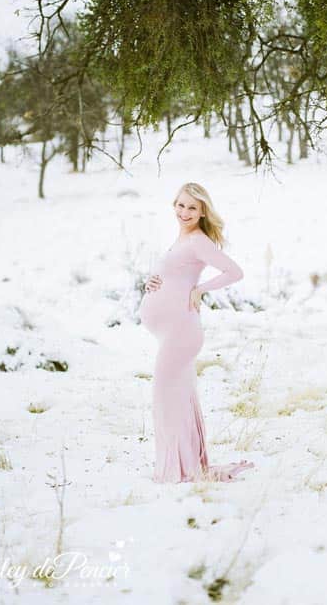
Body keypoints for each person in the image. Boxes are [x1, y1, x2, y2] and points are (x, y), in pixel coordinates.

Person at [138, 182, 255, 483]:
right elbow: (175, 274)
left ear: (203, 211)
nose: (185, 212)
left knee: (166, 397)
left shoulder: (198, 241)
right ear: (173, 205)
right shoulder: (182, 239)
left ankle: (177, 470)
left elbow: (234, 272)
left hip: (181, 331)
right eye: (180, 205)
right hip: (171, 331)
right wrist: (152, 281)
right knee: (176, 398)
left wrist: (201, 289)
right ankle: (184, 466)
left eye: (192, 207)